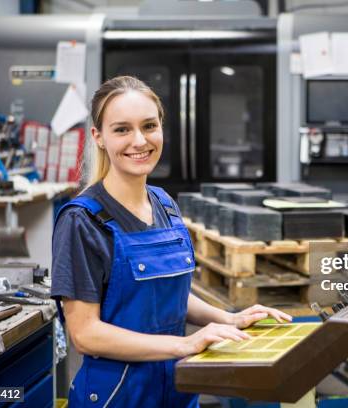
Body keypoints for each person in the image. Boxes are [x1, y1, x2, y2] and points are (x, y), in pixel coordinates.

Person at [51, 76, 291, 407]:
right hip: (118, 397)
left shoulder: (164, 204)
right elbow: (85, 334)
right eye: (122, 129)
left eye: (149, 126)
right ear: (99, 137)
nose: (139, 140)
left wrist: (228, 318)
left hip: (176, 391)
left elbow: (166, 292)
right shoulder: (82, 220)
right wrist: (185, 345)